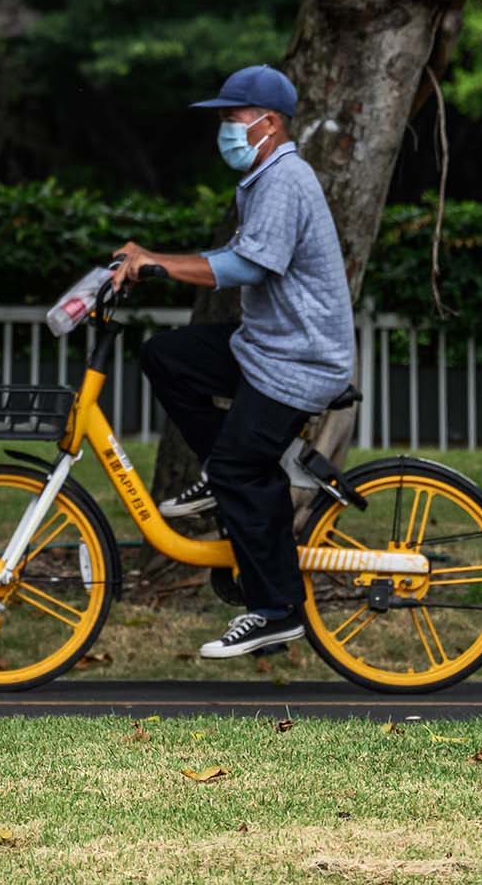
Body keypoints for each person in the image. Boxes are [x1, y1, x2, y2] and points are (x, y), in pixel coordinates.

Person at [110, 64, 355, 660]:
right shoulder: (261, 179)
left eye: (231, 117)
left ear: (268, 123)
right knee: (169, 357)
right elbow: (237, 254)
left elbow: (250, 266)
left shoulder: (285, 180)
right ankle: (224, 471)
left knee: (245, 473)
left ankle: (275, 610)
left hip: (301, 361)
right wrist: (148, 262)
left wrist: (157, 264)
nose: (223, 127)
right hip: (263, 349)